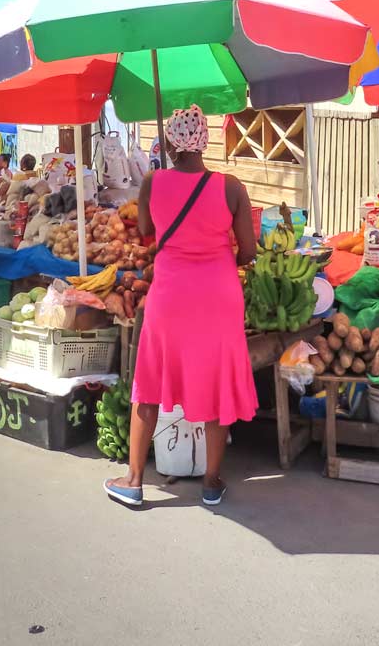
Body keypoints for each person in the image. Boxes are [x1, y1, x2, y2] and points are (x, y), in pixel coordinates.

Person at [104, 105, 258, 509]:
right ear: (204, 141)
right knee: (214, 384)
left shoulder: (154, 181)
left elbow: (148, 231)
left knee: (149, 384)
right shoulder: (231, 187)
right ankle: (211, 483)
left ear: (172, 142)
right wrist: (218, 253)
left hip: (170, 296)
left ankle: (134, 481)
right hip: (219, 298)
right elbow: (248, 252)